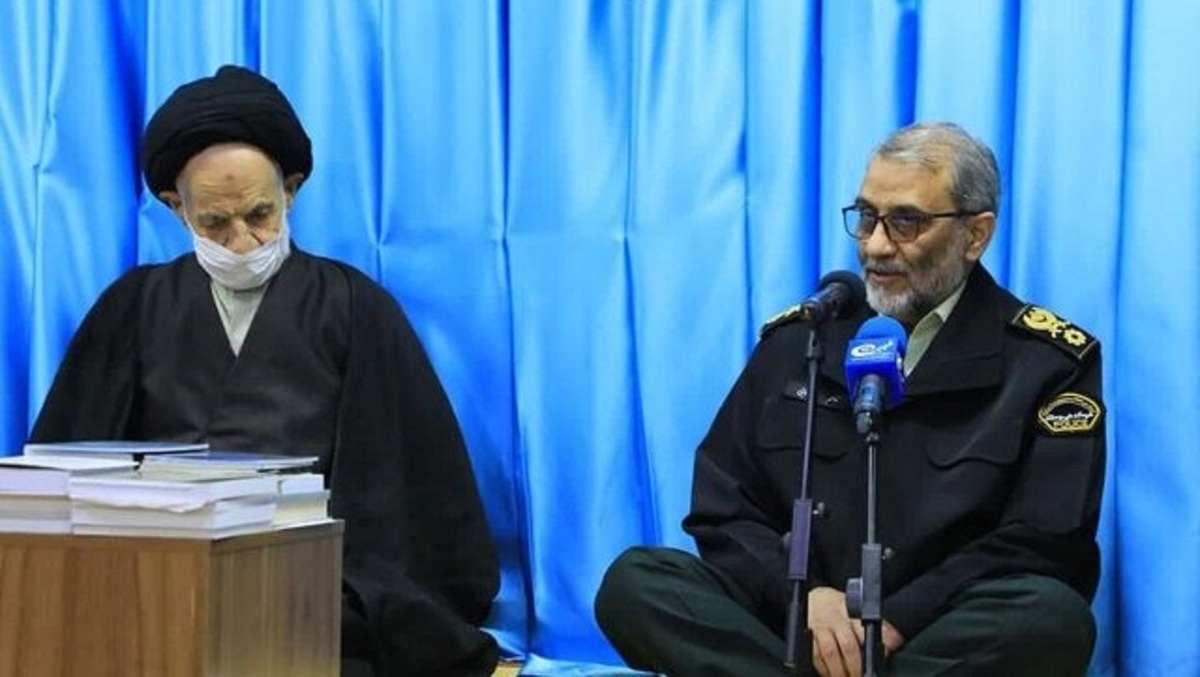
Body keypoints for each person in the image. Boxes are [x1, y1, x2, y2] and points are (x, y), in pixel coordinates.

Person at [29, 65, 500, 677]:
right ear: (176, 208)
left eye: (260, 214)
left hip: (312, 581)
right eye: (214, 223)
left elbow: (407, 500)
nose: (243, 240)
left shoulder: (353, 305)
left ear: (291, 191)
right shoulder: (134, 307)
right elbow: (68, 477)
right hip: (156, 576)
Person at [594, 122, 1105, 676]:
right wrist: (805, 600)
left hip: (933, 634)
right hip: (795, 628)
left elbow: (1045, 539)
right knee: (636, 583)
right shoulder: (805, 340)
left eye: (906, 222)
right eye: (866, 217)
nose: (876, 246)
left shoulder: (1046, 363)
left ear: (975, 235)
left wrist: (899, 618)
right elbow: (724, 508)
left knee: (1050, 618)